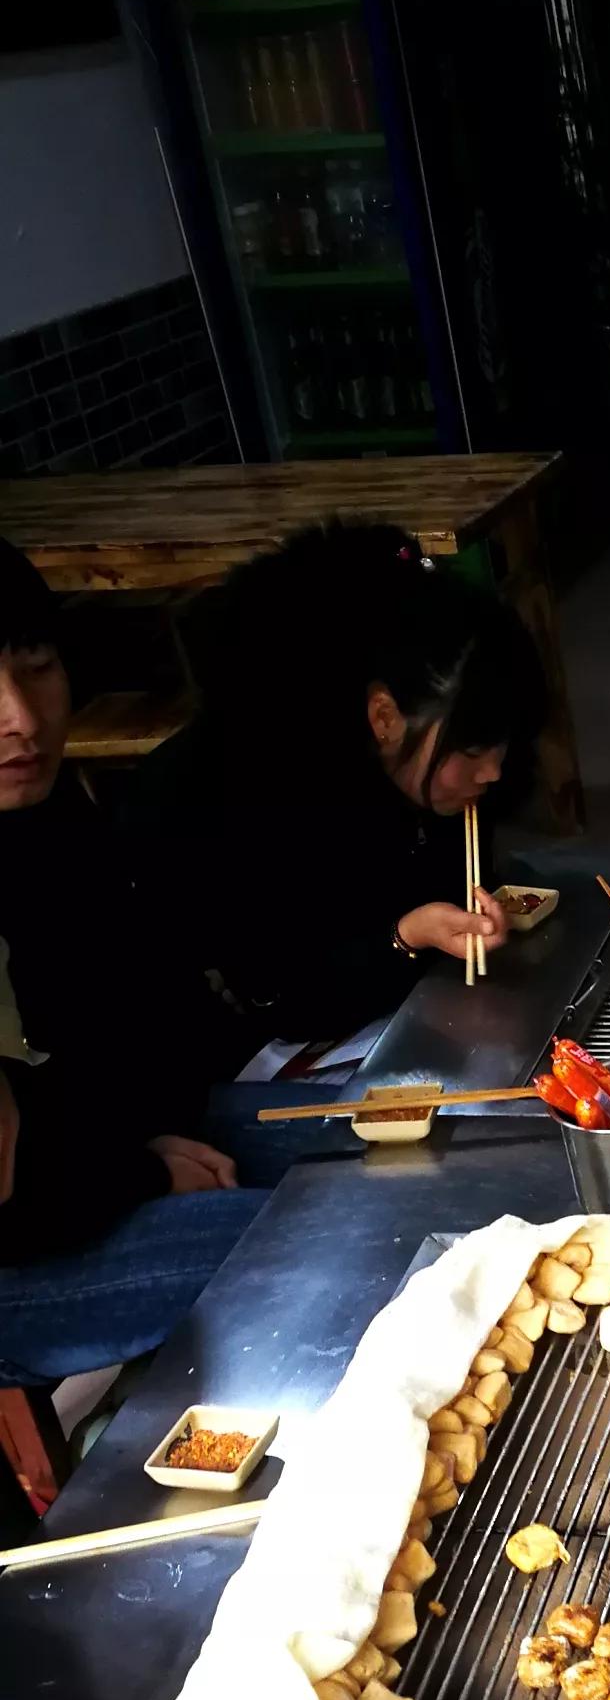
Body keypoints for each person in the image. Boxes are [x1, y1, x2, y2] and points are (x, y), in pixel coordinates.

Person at [128, 521, 547, 1066]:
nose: (493, 773)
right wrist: (405, 936)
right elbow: (284, 996)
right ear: (383, 717)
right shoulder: (257, 793)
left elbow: (441, 871)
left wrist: (459, 908)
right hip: (237, 1057)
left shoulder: (425, 759)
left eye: (502, 748)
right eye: (472, 753)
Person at [0, 542, 267, 1386]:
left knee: (402, 1156)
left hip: (103, 1151)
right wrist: (141, 1170)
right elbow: (13, 1190)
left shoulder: (49, 813)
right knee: (328, 1245)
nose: (19, 715)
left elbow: (141, 1024)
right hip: (27, 1242)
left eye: (35, 667)